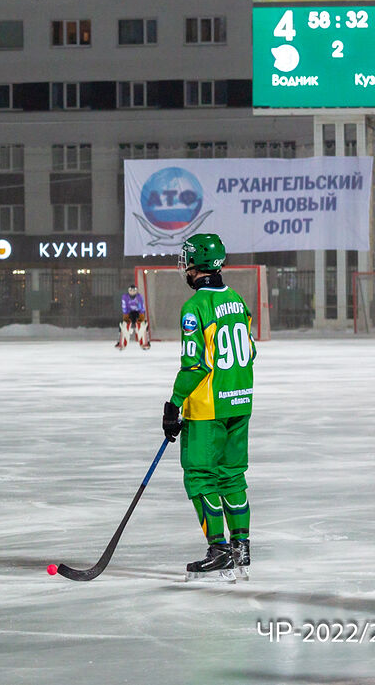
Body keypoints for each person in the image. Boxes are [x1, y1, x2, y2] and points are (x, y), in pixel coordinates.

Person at [161, 233, 255, 582]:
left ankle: (219, 551)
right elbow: (251, 351)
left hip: (208, 409)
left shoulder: (195, 307)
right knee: (232, 476)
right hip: (240, 401)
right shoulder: (237, 300)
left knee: (200, 476)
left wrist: (174, 404)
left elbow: (195, 365)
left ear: (195, 264)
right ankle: (241, 548)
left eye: (187, 260)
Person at [117, 284, 149, 350]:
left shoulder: (139, 297)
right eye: (131, 291)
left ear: (136, 291)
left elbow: (141, 308)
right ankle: (122, 343)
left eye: (134, 291)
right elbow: (124, 307)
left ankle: (144, 342)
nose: (132, 292)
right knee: (124, 325)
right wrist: (126, 317)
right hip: (128, 313)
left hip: (138, 313)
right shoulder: (125, 297)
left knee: (142, 325)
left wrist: (141, 317)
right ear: (128, 291)